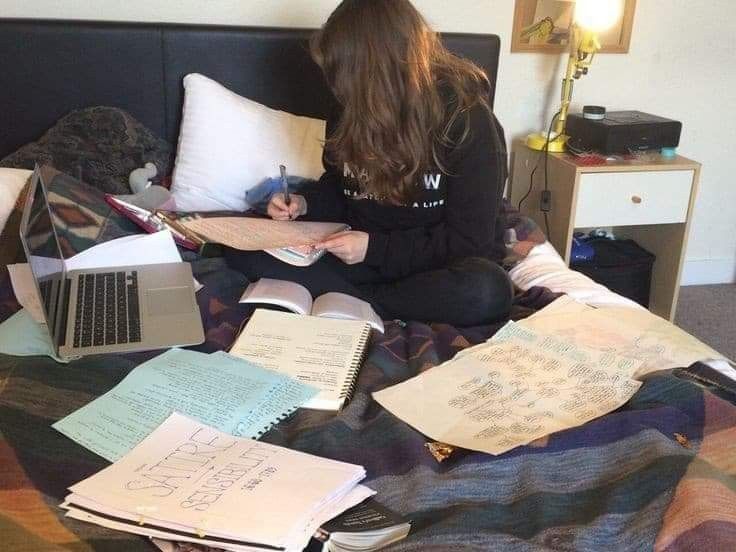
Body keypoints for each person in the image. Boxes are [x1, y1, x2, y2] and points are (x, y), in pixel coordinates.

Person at [226, 0, 513, 326]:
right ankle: (371, 301)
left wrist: (375, 249)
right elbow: (343, 188)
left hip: (432, 265)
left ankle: (360, 302)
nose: (338, 88)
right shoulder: (348, 108)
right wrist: (304, 203)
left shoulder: (467, 120)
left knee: (488, 291)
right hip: (359, 258)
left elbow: (469, 241)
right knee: (240, 249)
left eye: (346, 76)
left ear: (381, 70)